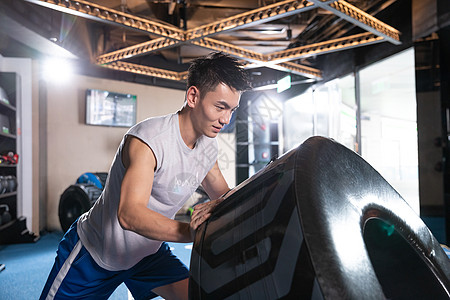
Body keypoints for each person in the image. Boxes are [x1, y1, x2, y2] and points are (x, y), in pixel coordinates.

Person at [40, 52, 251, 300]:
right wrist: (193, 233)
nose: (226, 119)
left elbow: (225, 199)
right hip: (95, 255)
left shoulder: (208, 147)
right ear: (193, 96)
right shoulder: (148, 140)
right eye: (220, 107)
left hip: (147, 256)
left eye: (232, 110)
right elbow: (130, 215)